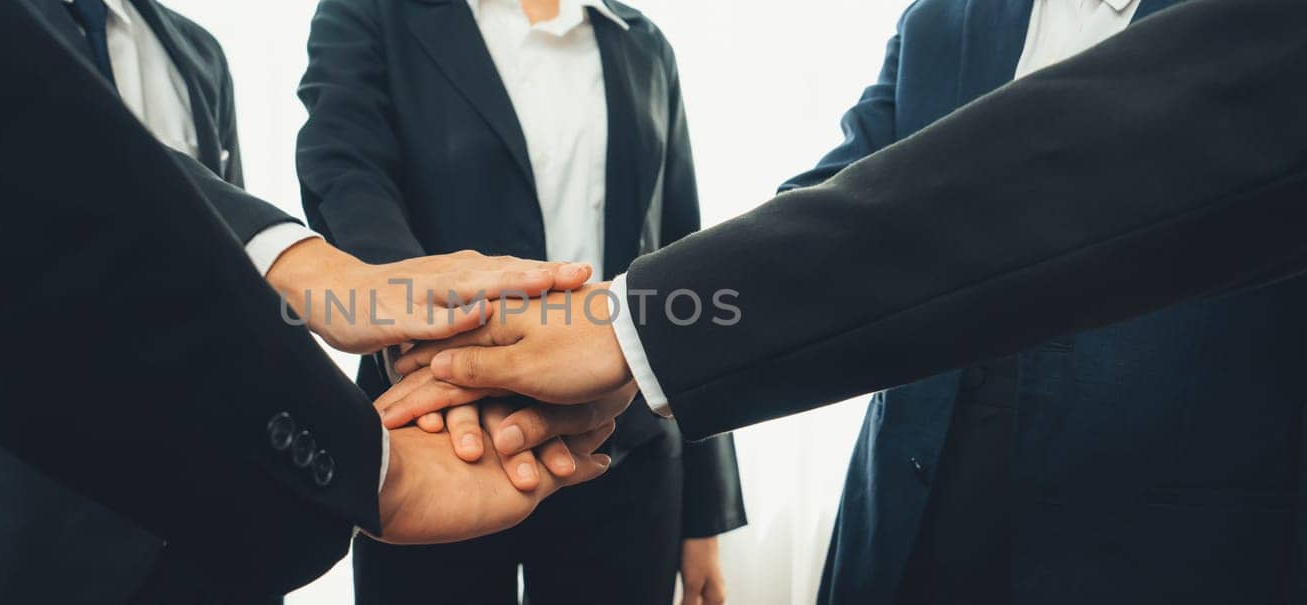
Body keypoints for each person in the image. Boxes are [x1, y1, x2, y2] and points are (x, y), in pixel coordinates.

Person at [376, 0, 1307, 602]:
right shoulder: (945, 19)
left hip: (1171, 552)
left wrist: (625, 327)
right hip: (900, 542)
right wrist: (628, 337)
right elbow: (829, 209)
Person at [0, 0, 613, 599]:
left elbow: (215, 297)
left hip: (219, 490)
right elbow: (33, 152)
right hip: (20, 501)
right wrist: (321, 276)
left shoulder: (197, 51)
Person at [780, 0, 1306, 602]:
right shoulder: (936, 18)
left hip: (1160, 547)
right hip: (908, 530)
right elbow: (823, 207)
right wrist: (671, 313)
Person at [295, 1, 744, 603]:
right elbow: (347, 179)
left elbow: (682, 260)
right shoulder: (372, 13)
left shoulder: (643, 43)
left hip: (622, 452)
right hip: (438, 442)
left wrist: (704, 515)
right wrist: (436, 345)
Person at [0, 0, 296, 602]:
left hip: (202, 498)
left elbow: (228, 275)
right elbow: (62, 161)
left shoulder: (199, 51)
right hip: (15, 492)